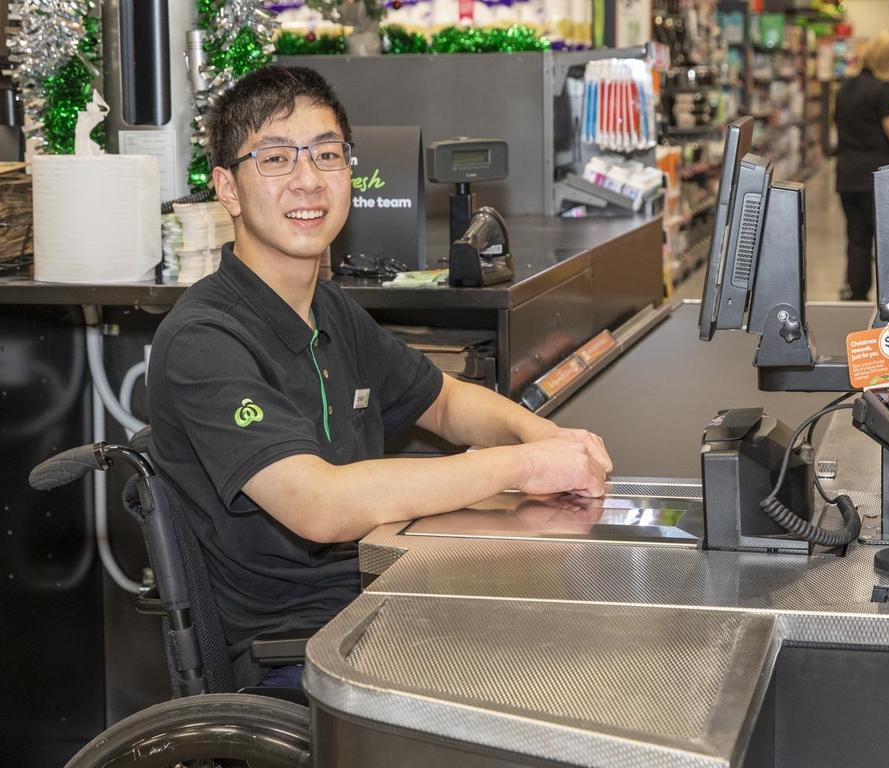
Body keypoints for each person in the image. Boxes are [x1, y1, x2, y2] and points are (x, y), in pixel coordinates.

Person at [147, 66, 612, 686]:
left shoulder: (329, 308)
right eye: (278, 159)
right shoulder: (204, 340)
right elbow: (321, 505)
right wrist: (521, 468)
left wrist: (546, 439)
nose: (308, 180)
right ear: (229, 190)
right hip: (303, 653)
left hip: (385, 604)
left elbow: (443, 401)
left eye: (327, 154)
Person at [835, 31, 889, 301]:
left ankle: (856, 294)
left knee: (857, 238)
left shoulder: (845, 88)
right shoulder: (883, 89)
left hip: (847, 175)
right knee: (888, 240)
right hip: (880, 178)